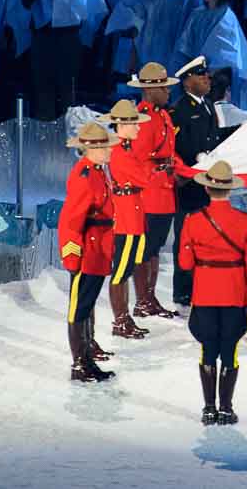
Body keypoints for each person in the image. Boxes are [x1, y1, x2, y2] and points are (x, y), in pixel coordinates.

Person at [178, 158, 247, 425]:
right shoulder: (246, 222)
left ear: (206, 189)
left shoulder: (192, 221)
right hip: (235, 294)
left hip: (204, 294)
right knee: (230, 351)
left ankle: (208, 408)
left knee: (207, 350)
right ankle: (226, 408)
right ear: (231, 190)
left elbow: (185, 263)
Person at [16, 0, 108, 120]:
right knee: (43, 87)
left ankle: (70, 134)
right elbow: (26, 2)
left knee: (68, 89)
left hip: (68, 37)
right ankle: (45, 134)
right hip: (43, 36)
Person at [170, 54, 234, 306]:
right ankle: (183, 290)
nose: (207, 78)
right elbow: (173, 145)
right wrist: (191, 163)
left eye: (206, 74)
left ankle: (202, 284)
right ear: (187, 82)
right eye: (200, 75)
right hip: (188, 185)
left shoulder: (207, 104)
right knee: (186, 238)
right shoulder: (179, 110)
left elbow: (212, 137)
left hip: (206, 184)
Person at [128, 60, 189, 317]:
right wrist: (165, 167)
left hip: (165, 193)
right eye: (163, 87)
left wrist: (187, 171)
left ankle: (150, 298)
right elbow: (139, 158)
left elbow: (170, 153)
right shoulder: (141, 118)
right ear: (149, 89)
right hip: (150, 193)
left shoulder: (163, 115)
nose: (168, 91)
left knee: (155, 249)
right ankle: (142, 301)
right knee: (146, 249)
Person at [58, 120, 117, 383]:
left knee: (88, 304)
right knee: (78, 308)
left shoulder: (96, 171)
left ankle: (87, 360)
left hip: (98, 247)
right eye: (105, 147)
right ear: (91, 149)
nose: (110, 151)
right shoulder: (84, 175)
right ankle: (79, 364)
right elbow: (71, 221)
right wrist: (72, 256)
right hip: (87, 250)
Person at [100, 98, 152, 340]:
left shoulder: (126, 149)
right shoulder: (119, 152)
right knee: (120, 271)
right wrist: (150, 169)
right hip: (125, 217)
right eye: (135, 124)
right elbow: (142, 178)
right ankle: (120, 320)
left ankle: (124, 317)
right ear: (123, 124)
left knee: (127, 268)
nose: (139, 128)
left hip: (133, 212)